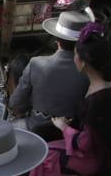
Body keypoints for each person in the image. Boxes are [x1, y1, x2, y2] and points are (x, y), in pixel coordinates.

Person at [13, 22, 111, 176]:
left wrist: (63, 127)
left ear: (83, 61)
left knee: (41, 162)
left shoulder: (96, 97)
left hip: (88, 154)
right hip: (105, 150)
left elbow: (84, 142)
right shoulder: (105, 85)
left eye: (76, 56)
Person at [9, 10, 90, 139]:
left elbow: (15, 103)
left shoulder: (36, 64)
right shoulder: (89, 72)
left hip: (36, 130)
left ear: (57, 39)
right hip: (73, 133)